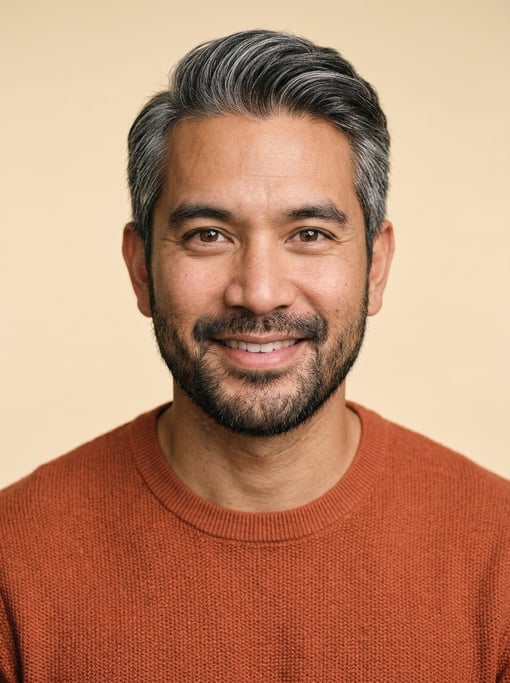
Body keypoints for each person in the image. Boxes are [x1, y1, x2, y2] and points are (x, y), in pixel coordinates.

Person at [0, 29, 508, 682]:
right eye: (208, 234)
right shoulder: (15, 565)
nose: (259, 291)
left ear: (375, 267)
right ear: (141, 269)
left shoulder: (498, 559)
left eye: (309, 234)